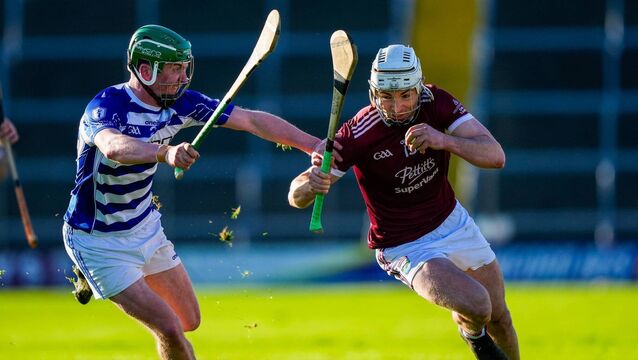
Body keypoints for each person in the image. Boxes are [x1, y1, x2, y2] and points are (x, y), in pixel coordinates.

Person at [62, 24, 323, 360]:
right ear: (146, 70)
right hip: (97, 239)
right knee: (168, 326)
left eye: (186, 68)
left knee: (188, 320)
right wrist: (164, 152)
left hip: (145, 227)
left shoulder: (182, 103)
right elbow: (113, 147)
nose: (184, 77)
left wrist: (311, 144)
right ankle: (89, 270)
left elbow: (252, 121)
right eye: (175, 69)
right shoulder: (106, 107)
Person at [288, 44, 519, 360]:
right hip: (405, 246)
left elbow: (496, 156)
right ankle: (473, 336)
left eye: (405, 95)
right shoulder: (358, 133)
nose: (396, 106)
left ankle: (477, 331)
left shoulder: (437, 104)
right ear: (374, 94)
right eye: (386, 96)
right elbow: (296, 194)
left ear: (419, 88)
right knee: (478, 305)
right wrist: (310, 185)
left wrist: (443, 140)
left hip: (452, 221)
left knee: (500, 317)